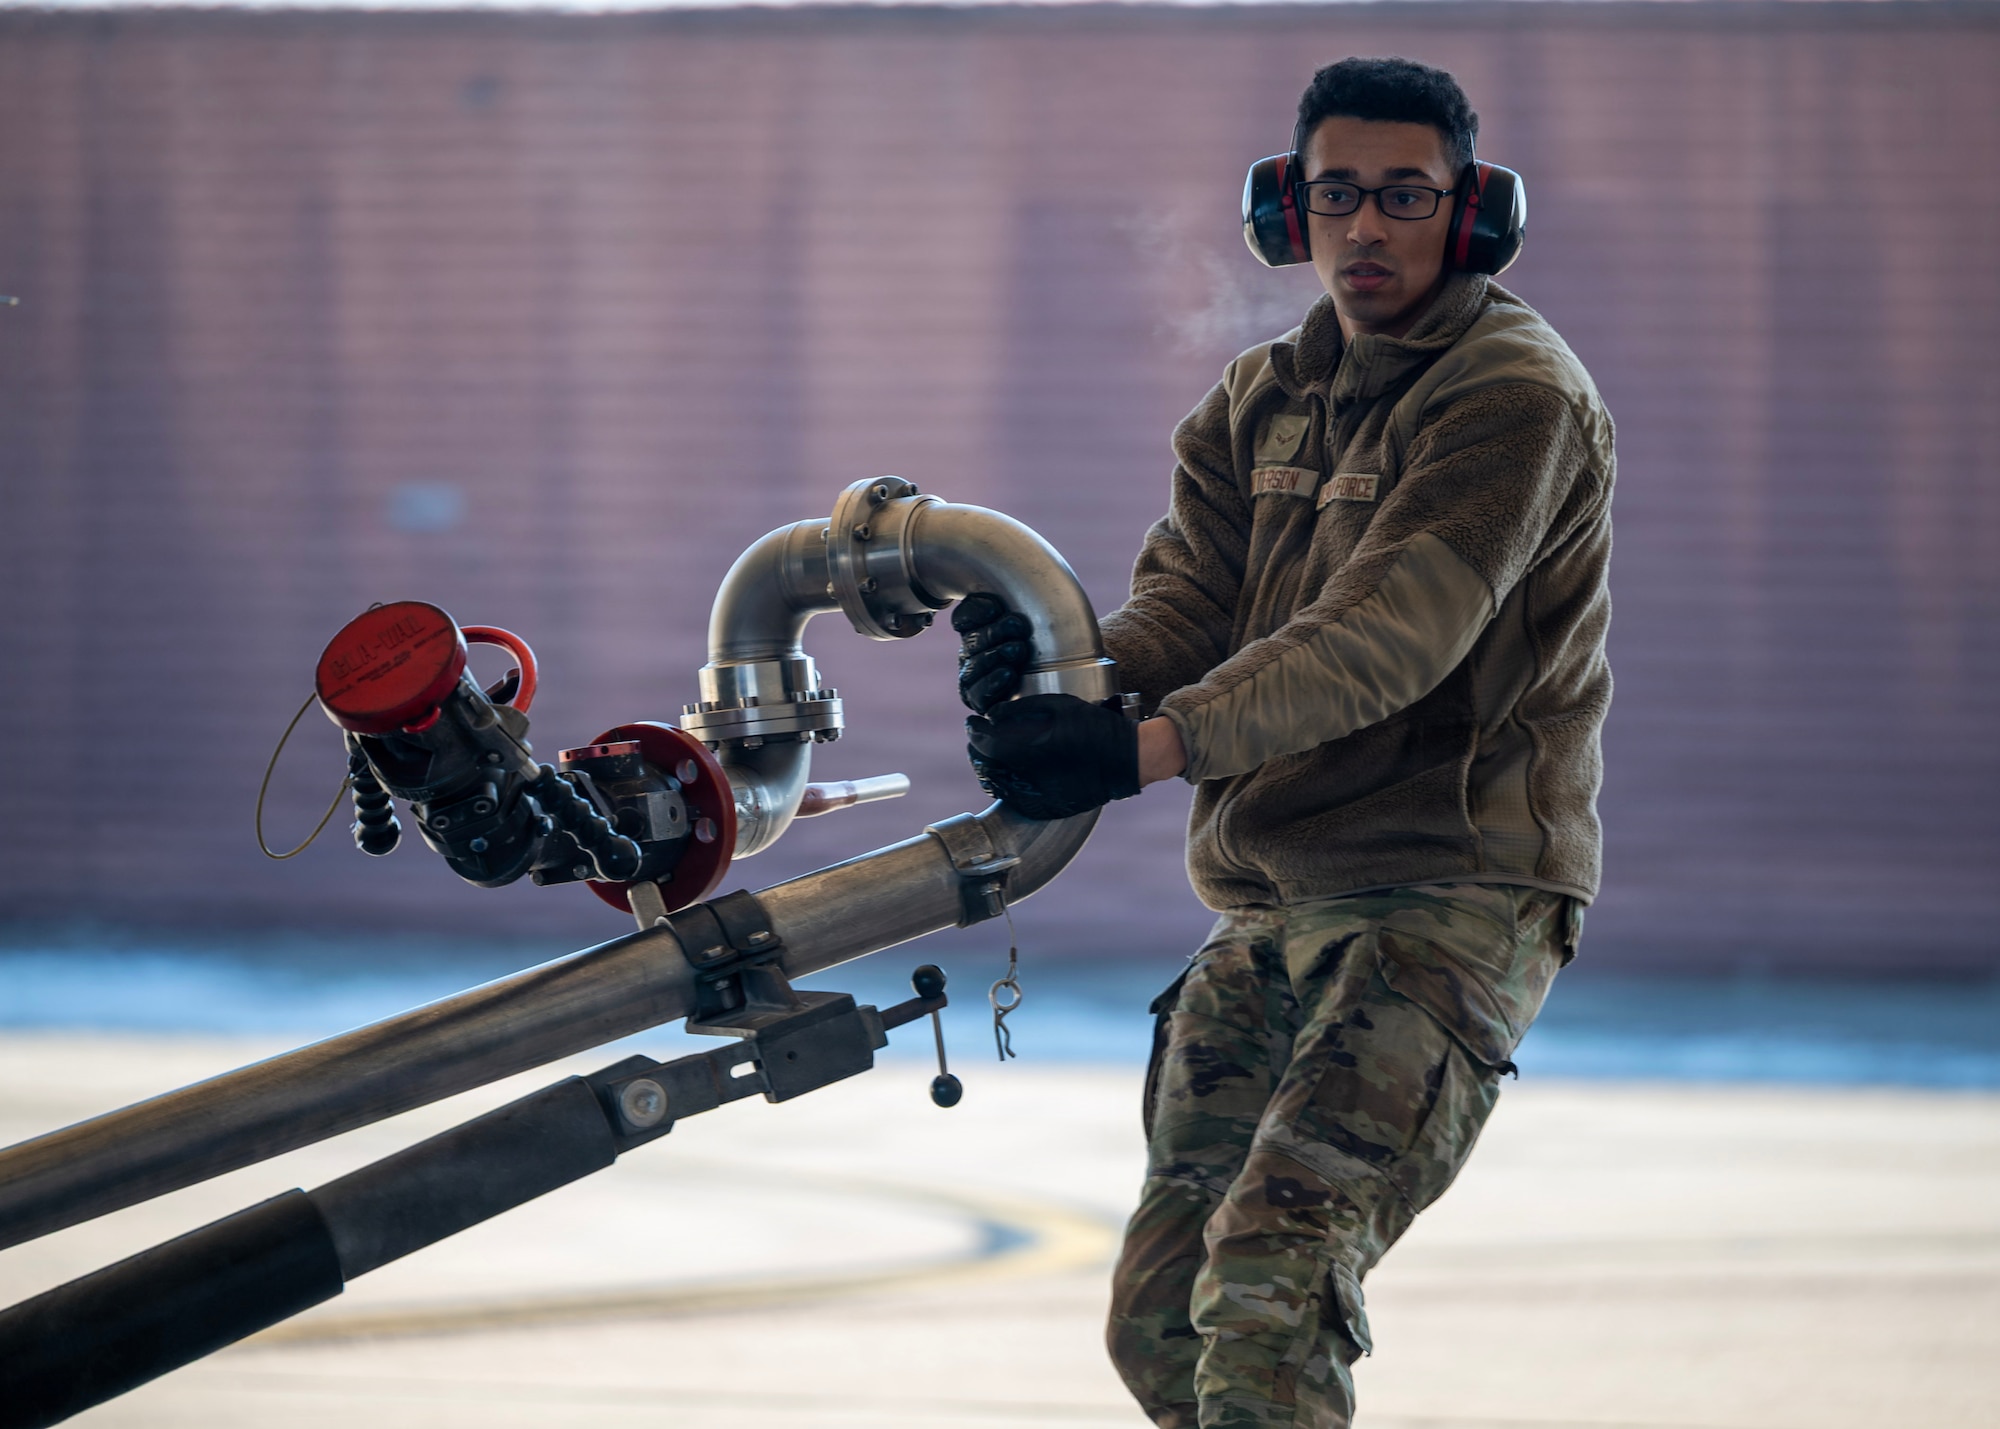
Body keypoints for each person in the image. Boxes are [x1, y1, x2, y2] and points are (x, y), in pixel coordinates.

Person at [956, 56, 1614, 1429]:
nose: (1365, 228)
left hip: (1450, 894)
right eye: (1335, 196)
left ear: (1472, 213)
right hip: (1272, 896)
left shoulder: (1514, 395)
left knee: (1270, 1280)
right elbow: (1192, 602)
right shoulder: (1261, 398)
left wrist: (1137, 750)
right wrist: (1068, 668)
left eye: (1403, 197)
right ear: (1287, 211)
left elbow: (1388, 634)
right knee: (1162, 1317)